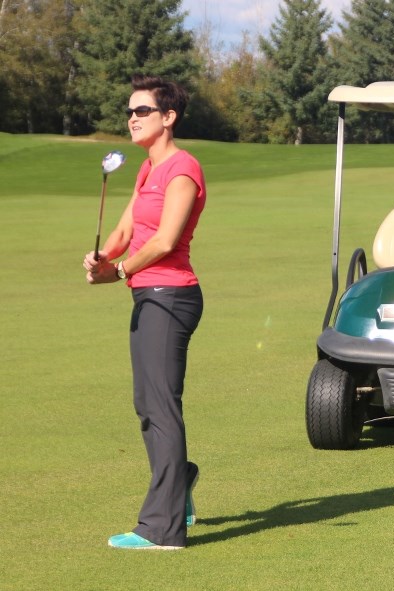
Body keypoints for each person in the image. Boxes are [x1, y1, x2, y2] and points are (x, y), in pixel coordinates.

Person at [83, 74, 206, 548]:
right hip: (148, 295)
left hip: (170, 297)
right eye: (130, 112)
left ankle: (162, 530)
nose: (132, 119)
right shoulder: (146, 170)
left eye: (143, 111)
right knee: (147, 405)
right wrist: (101, 259)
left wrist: (120, 271)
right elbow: (125, 230)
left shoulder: (182, 169)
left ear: (168, 117)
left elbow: (165, 240)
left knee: (161, 407)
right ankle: (179, 484)